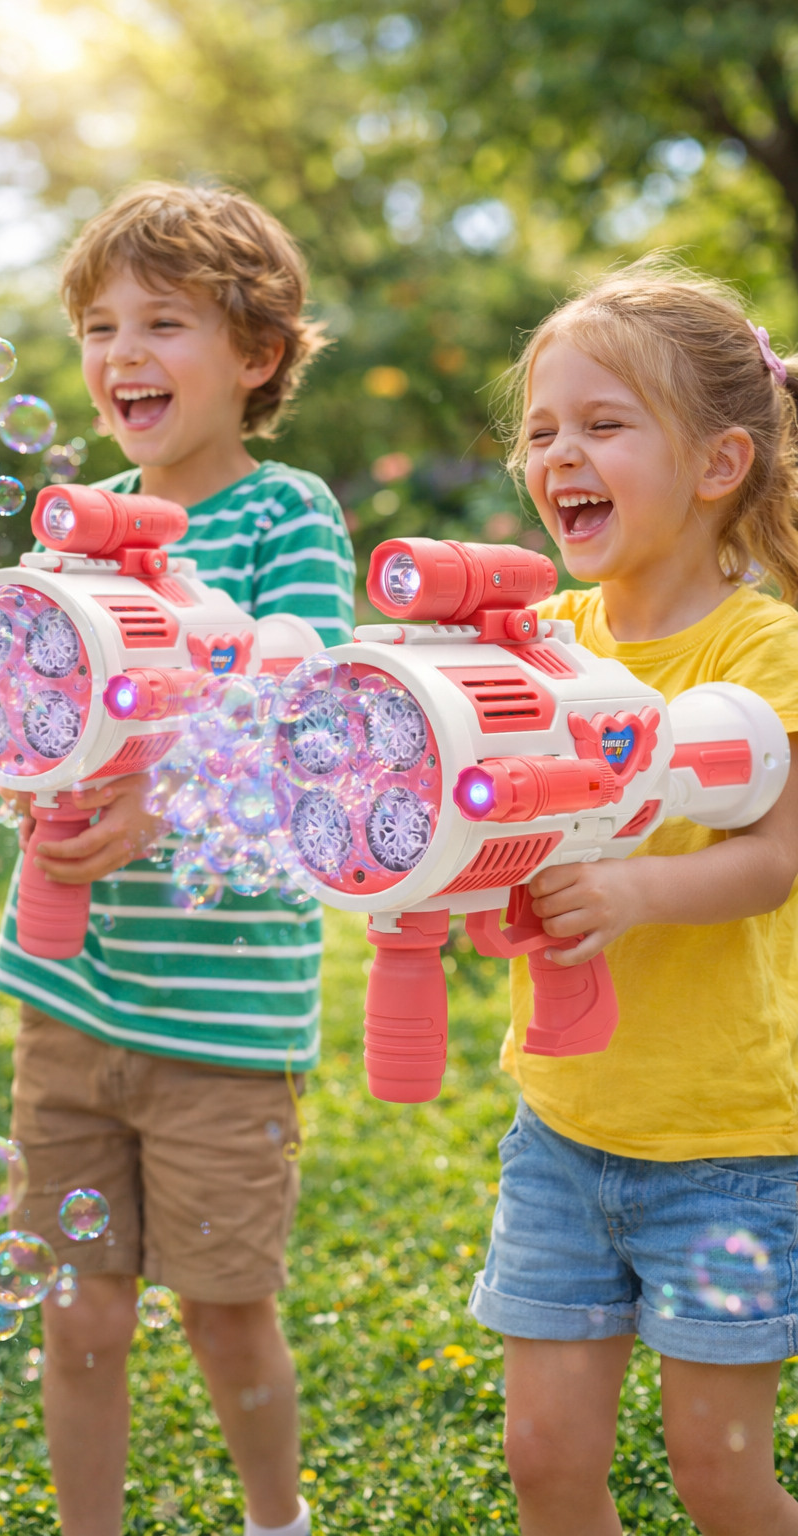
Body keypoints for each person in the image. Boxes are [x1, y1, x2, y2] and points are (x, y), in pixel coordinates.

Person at [0, 181, 355, 1536]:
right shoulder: (72, 528)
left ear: (258, 353)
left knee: (223, 1310)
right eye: (99, 326)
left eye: (164, 323)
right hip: (70, 1000)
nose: (121, 354)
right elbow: (28, 714)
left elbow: (309, 720)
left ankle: (278, 1523)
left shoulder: (284, 520)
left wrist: (162, 810)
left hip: (221, 1022)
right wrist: (38, 793)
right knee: (77, 1310)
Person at [467, 259, 798, 1536]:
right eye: (542, 429)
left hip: (729, 1151)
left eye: (604, 424)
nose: (560, 453)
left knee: (720, 1477)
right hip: (562, 1127)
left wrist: (624, 892)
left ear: (718, 465)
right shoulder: (540, 641)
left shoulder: (758, 647)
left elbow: (772, 858)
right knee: (546, 1461)